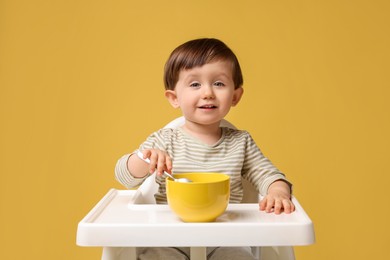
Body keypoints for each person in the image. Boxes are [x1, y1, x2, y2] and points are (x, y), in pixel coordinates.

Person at [115, 38, 295, 260]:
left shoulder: (242, 143)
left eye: (218, 83)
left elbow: (270, 175)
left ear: (235, 96)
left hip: (226, 239)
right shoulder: (164, 140)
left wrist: (278, 193)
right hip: (170, 237)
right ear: (174, 98)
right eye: (194, 84)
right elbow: (124, 175)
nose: (208, 92)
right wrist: (145, 159)